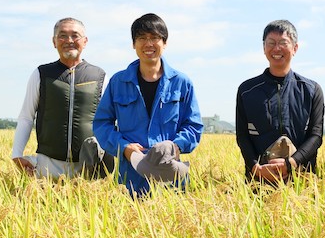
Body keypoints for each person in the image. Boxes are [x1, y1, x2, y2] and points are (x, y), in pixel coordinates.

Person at [93, 13, 203, 197]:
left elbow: (193, 126)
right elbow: (101, 124)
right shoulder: (118, 82)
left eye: (154, 38)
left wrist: (175, 146)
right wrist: (124, 147)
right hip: (130, 177)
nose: (148, 44)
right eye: (142, 38)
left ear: (165, 43)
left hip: (170, 175)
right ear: (133, 44)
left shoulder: (182, 82)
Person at [12, 17, 112, 179]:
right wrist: (16, 154)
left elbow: (109, 120)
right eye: (62, 36)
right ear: (54, 41)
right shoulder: (41, 74)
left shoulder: (100, 76)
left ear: (85, 41)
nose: (69, 40)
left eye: (75, 35)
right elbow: (26, 117)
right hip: (48, 164)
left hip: (89, 164)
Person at [235, 19, 324, 183]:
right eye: (271, 43)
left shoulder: (311, 89)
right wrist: (255, 168)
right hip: (260, 179)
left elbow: (316, 136)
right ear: (264, 48)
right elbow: (242, 136)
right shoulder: (247, 90)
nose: (276, 48)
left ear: (295, 48)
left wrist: (291, 163)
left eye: (283, 42)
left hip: (302, 178)